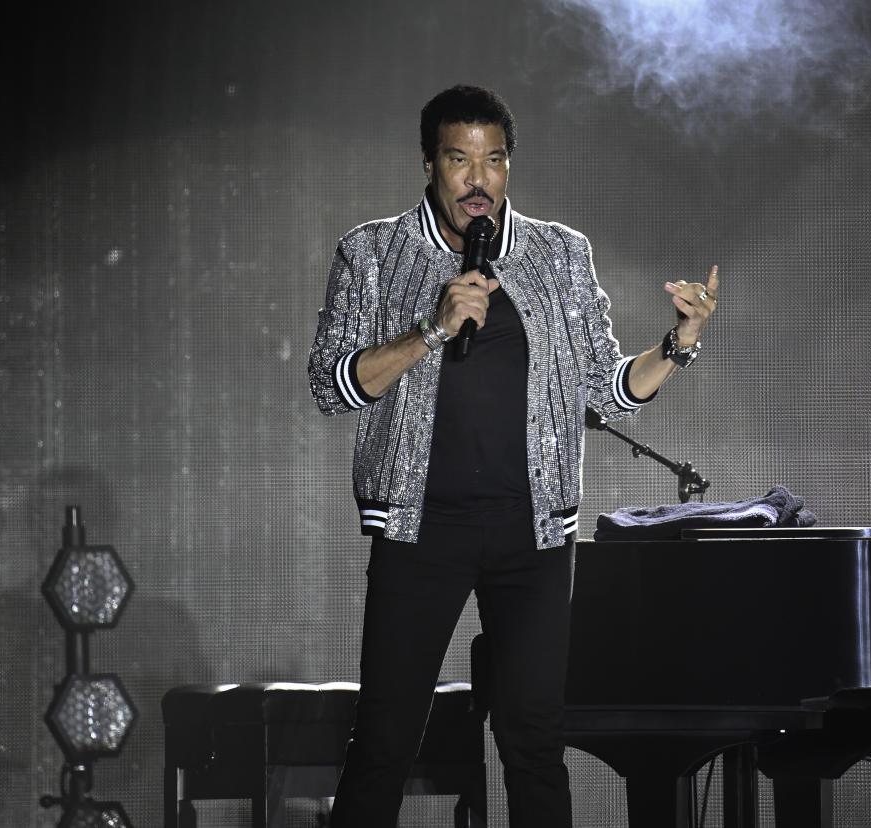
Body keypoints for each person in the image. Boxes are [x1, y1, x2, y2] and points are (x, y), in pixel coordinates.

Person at [308, 84, 718, 828]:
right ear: (429, 163)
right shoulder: (372, 251)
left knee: (534, 744)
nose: (478, 180)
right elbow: (334, 386)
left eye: (492, 161)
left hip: (531, 536)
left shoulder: (560, 253)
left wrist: (677, 342)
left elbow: (608, 388)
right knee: (386, 744)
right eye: (459, 160)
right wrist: (432, 330)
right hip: (420, 531)